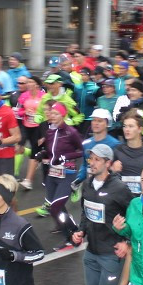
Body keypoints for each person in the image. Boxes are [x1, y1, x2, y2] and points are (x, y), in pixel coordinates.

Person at [71, 144, 134, 285]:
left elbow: (134, 216)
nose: (92, 162)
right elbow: (85, 213)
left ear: (108, 163)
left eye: (97, 159)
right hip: (91, 252)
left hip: (110, 252)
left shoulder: (119, 189)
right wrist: (80, 231)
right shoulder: (87, 185)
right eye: (91, 159)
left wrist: (127, 241)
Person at [36, 102, 83, 250]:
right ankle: (71, 230)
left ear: (63, 115)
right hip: (52, 173)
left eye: (56, 113)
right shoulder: (49, 131)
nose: (52, 116)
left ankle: (72, 235)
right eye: (51, 113)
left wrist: (65, 157)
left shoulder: (71, 132)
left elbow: (82, 151)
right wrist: (42, 154)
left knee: (56, 207)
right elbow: (50, 152)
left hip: (67, 173)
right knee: (53, 207)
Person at [14, 76, 45, 190]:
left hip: (38, 127)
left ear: (37, 84)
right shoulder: (24, 96)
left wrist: (44, 133)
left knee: (34, 152)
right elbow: (19, 111)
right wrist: (25, 112)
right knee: (18, 147)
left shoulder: (43, 97)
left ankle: (28, 180)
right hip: (25, 125)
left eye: (30, 82)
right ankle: (15, 173)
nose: (28, 84)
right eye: (27, 82)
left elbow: (47, 113)